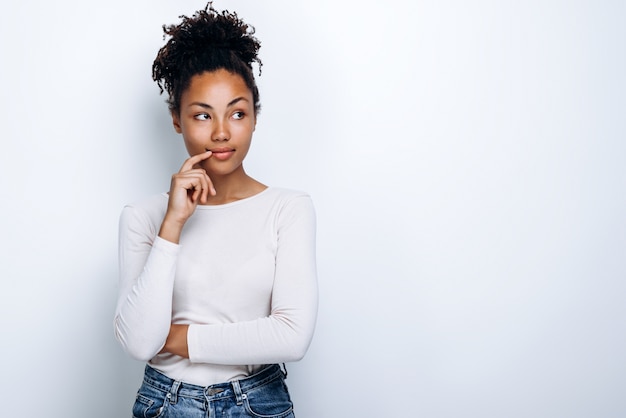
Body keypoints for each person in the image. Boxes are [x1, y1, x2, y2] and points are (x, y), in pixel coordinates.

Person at [114, 4, 318, 417]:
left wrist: (173, 339)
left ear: (255, 118)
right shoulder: (143, 217)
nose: (222, 132)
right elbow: (138, 343)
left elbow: (292, 337)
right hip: (166, 403)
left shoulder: (287, 209)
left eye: (237, 113)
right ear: (177, 120)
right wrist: (172, 224)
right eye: (203, 115)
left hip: (258, 401)